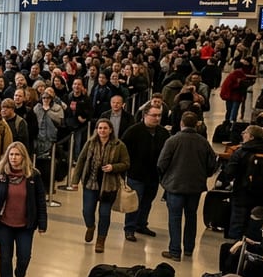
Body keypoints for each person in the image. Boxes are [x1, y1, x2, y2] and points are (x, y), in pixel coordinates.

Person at [0, 141, 46, 277]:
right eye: (11, 154)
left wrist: (42, 223)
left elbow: (40, 200)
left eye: (17, 154)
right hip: (4, 223)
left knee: (24, 256)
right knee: (5, 257)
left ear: (23, 156)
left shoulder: (33, 175)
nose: (14, 158)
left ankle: (20, 274)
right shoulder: (0, 174)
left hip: (26, 224)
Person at [156, 111, 219, 261]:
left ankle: (175, 251)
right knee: (191, 217)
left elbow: (161, 163)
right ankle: (189, 249)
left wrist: (164, 178)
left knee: (175, 218)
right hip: (195, 187)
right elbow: (213, 163)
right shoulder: (203, 142)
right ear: (196, 124)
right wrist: (205, 175)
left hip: (175, 185)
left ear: (181, 123)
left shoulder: (173, 140)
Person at [73, 119, 130, 253]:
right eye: (100, 128)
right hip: (90, 183)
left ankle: (101, 240)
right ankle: (90, 226)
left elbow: (126, 163)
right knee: (87, 211)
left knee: (104, 214)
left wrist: (113, 167)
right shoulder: (91, 143)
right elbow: (81, 160)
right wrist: (75, 181)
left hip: (109, 186)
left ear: (110, 130)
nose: (102, 131)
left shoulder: (119, 145)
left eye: (105, 128)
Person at [221, 125, 263, 241]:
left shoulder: (241, 153)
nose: (243, 134)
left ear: (250, 137)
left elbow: (229, 173)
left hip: (242, 196)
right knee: (256, 228)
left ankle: (235, 253)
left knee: (238, 228)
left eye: (245, 133)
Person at [119, 101, 168, 242]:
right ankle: (129, 228)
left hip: (154, 175)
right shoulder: (133, 131)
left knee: (147, 202)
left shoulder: (163, 133)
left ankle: (141, 224)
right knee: (134, 203)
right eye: (154, 115)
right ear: (145, 115)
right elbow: (123, 151)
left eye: (159, 115)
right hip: (136, 175)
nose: (157, 118)